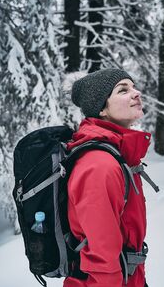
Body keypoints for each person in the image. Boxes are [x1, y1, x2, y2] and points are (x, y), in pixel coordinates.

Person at [64, 68, 151, 287]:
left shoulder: (118, 156)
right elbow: (101, 259)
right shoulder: (99, 165)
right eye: (123, 90)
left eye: (133, 86)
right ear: (102, 108)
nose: (136, 93)